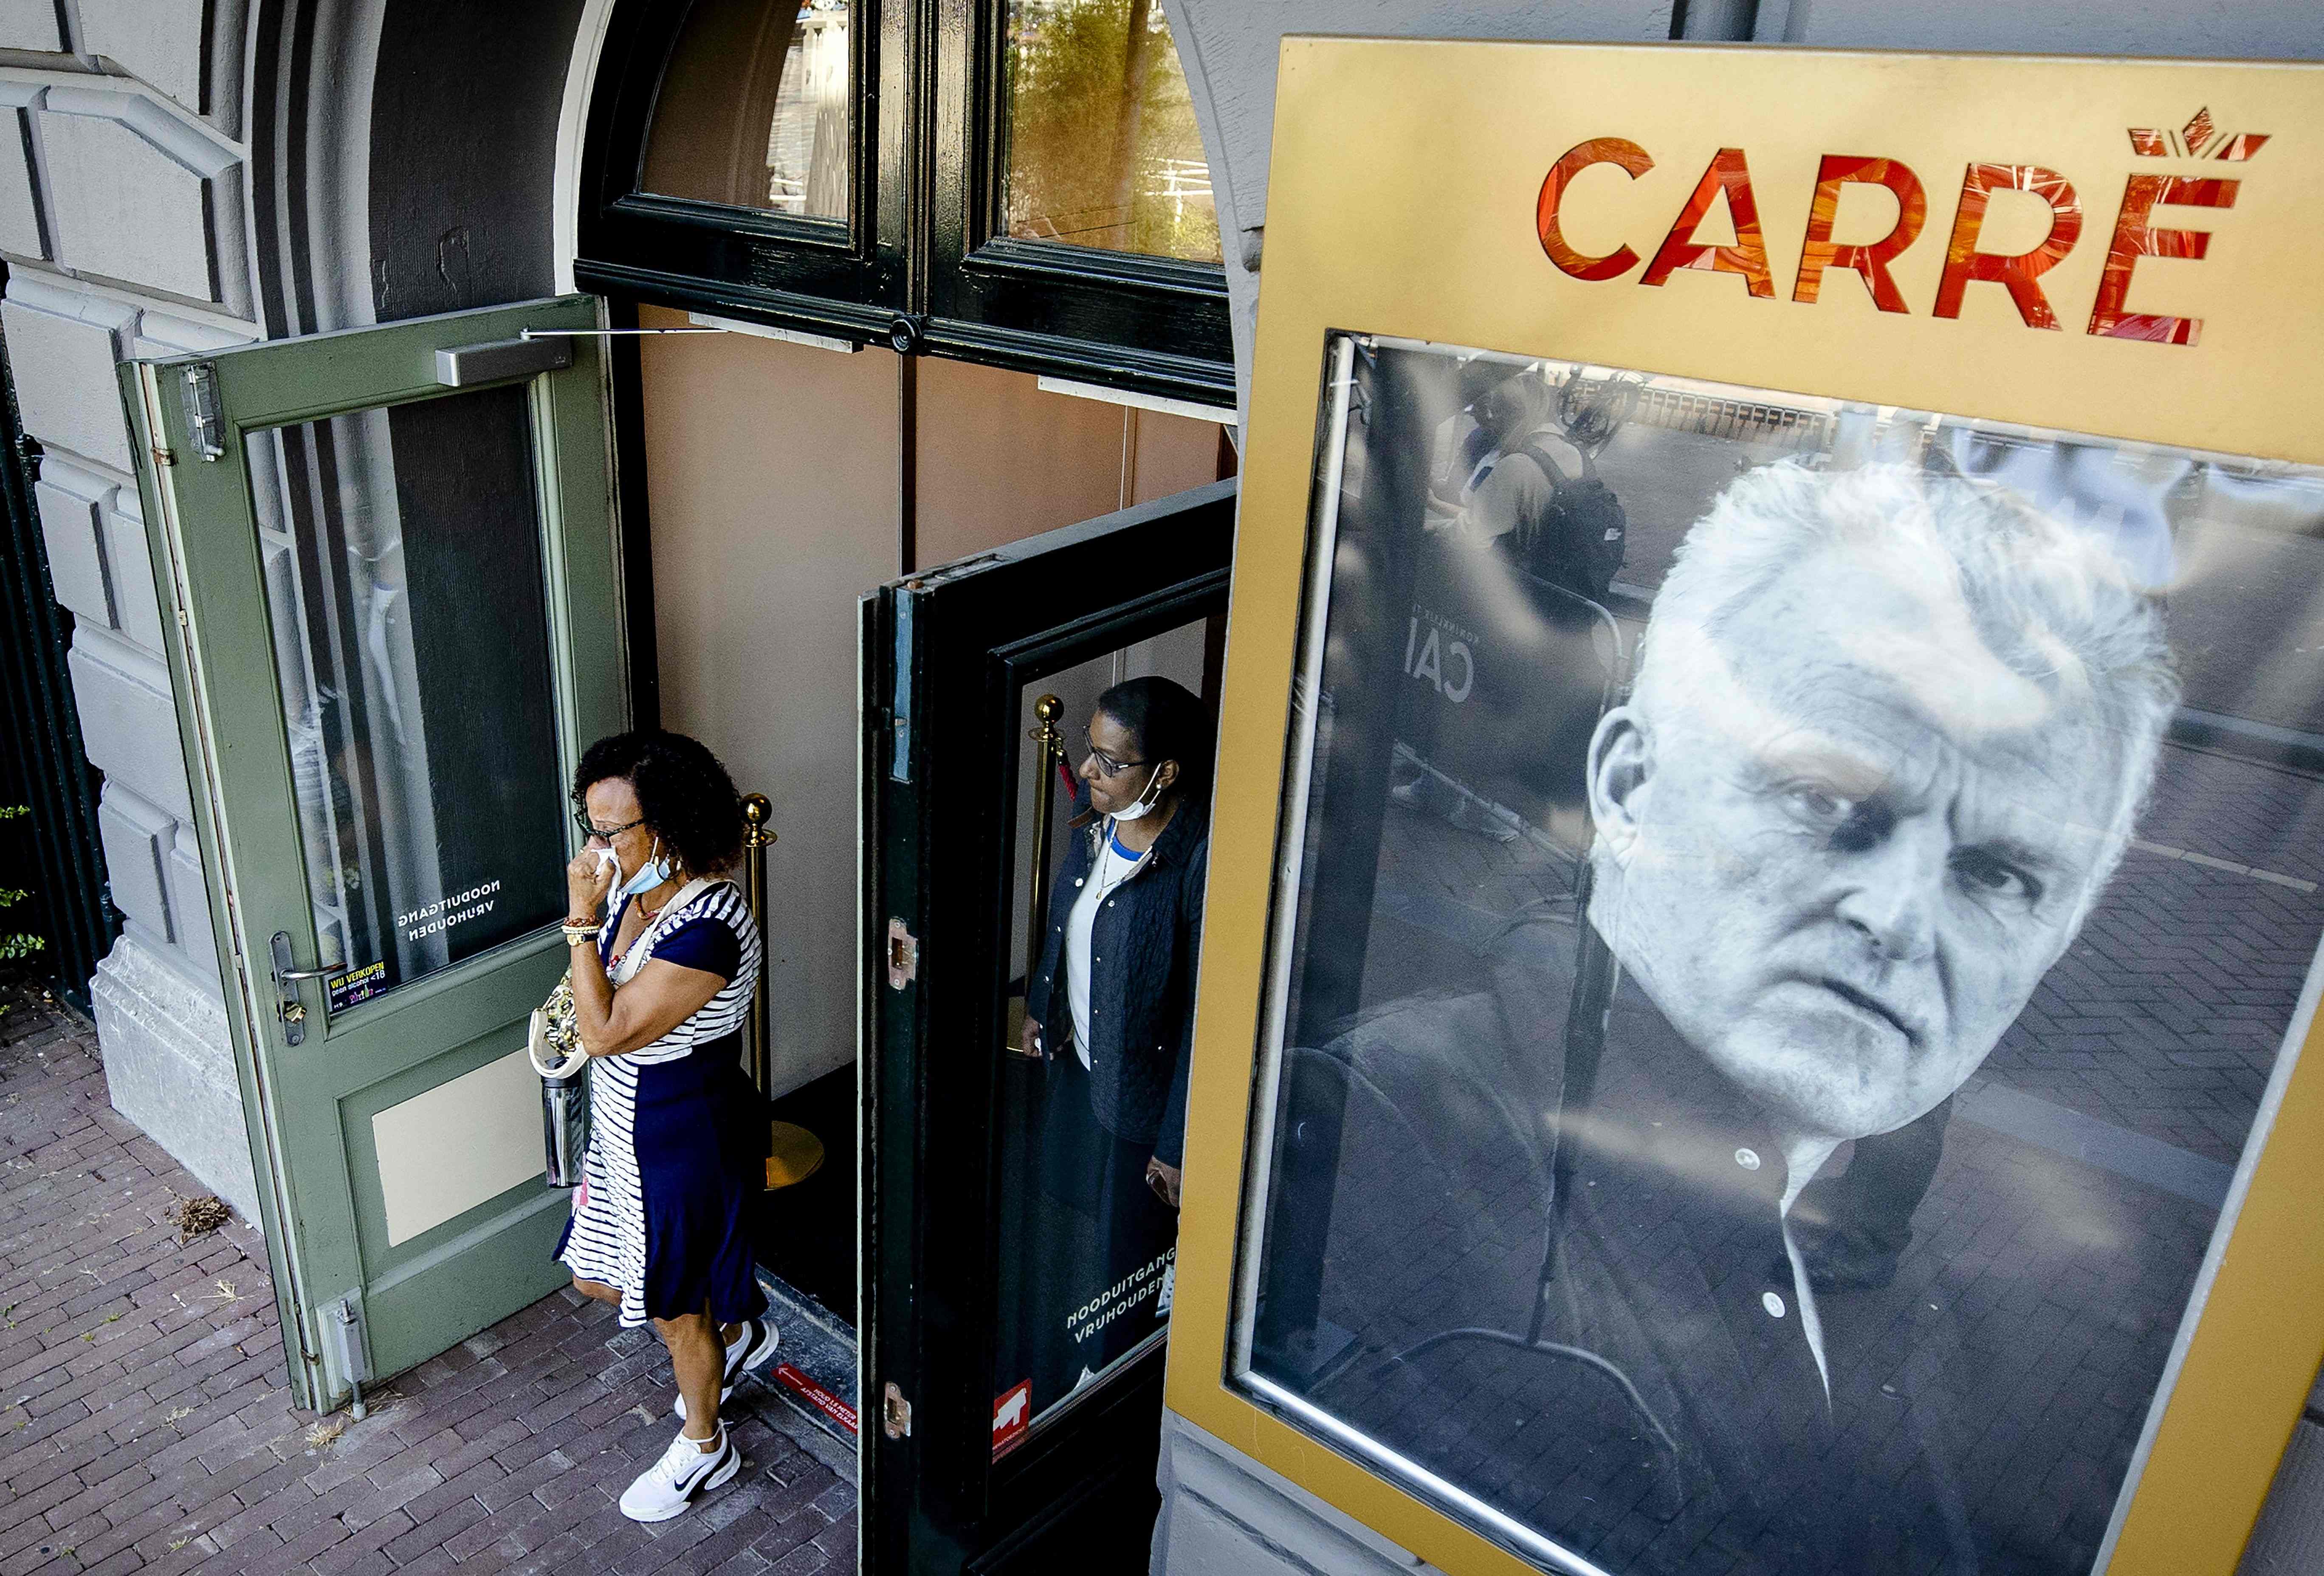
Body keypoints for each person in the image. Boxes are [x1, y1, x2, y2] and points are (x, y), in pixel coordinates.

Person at [1312, 461, 2178, 1573]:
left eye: (2004, 875)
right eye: (1825, 798)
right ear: (1627, 789)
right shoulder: (1397, 1141)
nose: (1900, 919)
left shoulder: (1867, 1257)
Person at [554, 730, 776, 1523]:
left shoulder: (710, 927)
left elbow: (608, 1030)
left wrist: (580, 926)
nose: (597, 849)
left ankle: (705, 1443)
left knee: (672, 1306)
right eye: (592, 827)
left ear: (672, 828)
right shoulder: (633, 892)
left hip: (679, 1137)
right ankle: (731, 1338)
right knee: (597, 1276)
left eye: (613, 832)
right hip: (623, 1129)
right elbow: (592, 1010)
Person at [1019, 677, 1213, 1408]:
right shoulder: (1098, 810)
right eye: (1089, 754)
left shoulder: (1197, 858)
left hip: (1146, 1098)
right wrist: (1044, 1004)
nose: (1089, 773)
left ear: (1165, 773)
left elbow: (1203, 1018)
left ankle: (1110, 1382)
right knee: (1076, 1212)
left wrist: (1175, 1143)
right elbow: (1068, 909)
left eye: (1110, 761)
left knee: (1127, 1253)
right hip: (1082, 1062)